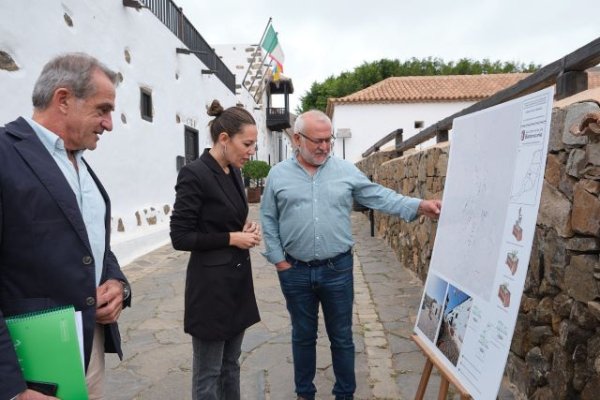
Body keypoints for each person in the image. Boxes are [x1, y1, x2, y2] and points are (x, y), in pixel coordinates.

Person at [260, 109, 442, 400]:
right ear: (297, 138)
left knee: (342, 338)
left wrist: (419, 205)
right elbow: (268, 218)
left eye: (328, 140)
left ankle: (345, 394)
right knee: (303, 335)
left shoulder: (345, 171)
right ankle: (304, 394)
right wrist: (279, 260)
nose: (323, 147)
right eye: (316, 140)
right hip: (294, 271)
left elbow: (379, 196)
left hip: (337, 270)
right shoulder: (278, 175)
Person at [0, 53, 131, 400]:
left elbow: (91, 244)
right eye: (102, 109)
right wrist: (12, 388)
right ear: (63, 100)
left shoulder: (81, 163)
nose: (109, 124)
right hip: (31, 371)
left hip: (88, 351)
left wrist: (118, 283)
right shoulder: (4, 154)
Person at [170, 100, 261, 400]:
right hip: (210, 290)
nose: (251, 151)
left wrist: (245, 228)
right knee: (208, 373)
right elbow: (180, 237)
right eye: (247, 144)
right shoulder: (194, 174)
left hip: (236, 284)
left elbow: (229, 217)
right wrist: (231, 238)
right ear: (224, 139)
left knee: (231, 365)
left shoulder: (234, 170)